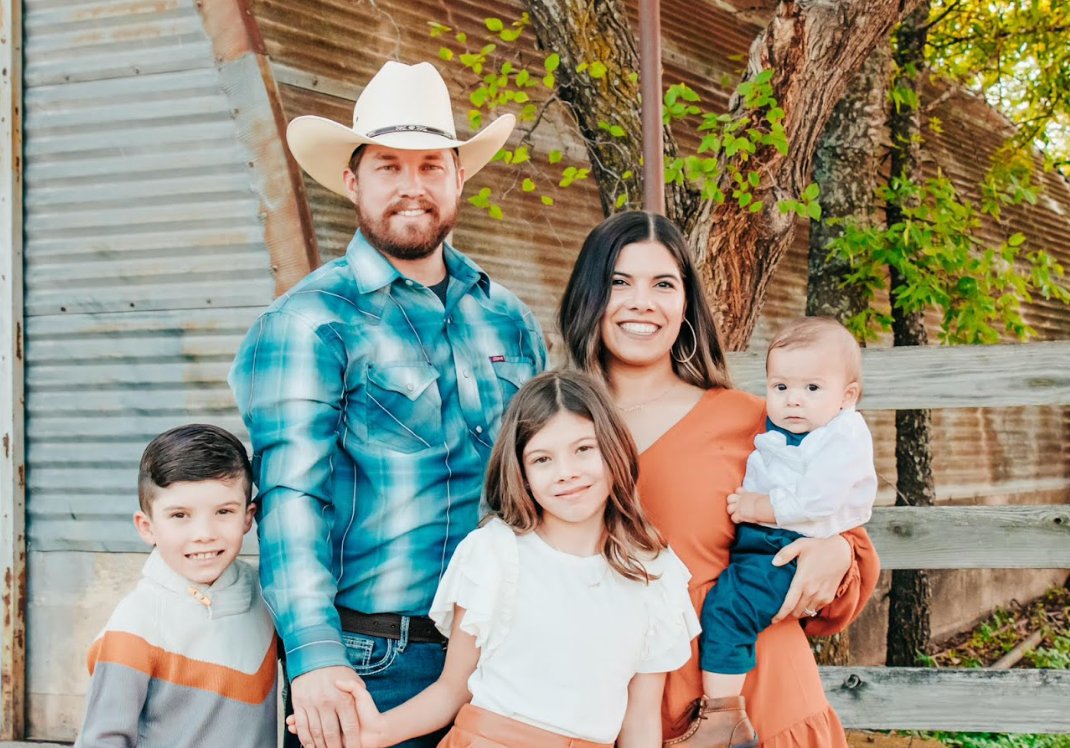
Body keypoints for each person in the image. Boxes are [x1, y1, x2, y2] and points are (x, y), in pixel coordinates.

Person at [229, 60, 547, 748]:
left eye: (432, 165)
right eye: (388, 167)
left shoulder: (510, 320)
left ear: (460, 177)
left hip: (507, 656)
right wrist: (313, 654)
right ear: (352, 181)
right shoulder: (309, 321)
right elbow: (291, 498)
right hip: (375, 660)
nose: (413, 187)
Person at [557, 210, 880, 748]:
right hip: (607, 713)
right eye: (619, 282)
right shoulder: (552, 426)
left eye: (663, 284)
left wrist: (838, 553)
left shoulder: (757, 421)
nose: (642, 301)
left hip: (758, 704)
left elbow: (846, 538)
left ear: (686, 305)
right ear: (589, 293)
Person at [290, 370, 701, 747]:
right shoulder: (495, 553)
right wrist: (376, 733)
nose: (566, 472)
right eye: (543, 458)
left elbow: (641, 719)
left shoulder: (654, 571)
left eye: (583, 449)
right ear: (521, 473)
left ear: (614, 450)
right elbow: (453, 689)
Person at [698, 316, 878, 745]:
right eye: (781, 388)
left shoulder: (841, 435)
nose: (793, 401)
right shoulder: (786, 429)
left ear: (847, 396)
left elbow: (820, 504)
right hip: (765, 544)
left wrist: (759, 506)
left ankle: (721, 720)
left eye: (811, 389)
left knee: (729, 609)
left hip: (785, 546)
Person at [75, 424, 276, 748]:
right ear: (147, 526)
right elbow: (102, 739)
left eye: (223, 511)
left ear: (248, 517)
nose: (203, 533)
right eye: (180, 515)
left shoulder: (267, 595)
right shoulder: (135, 624)